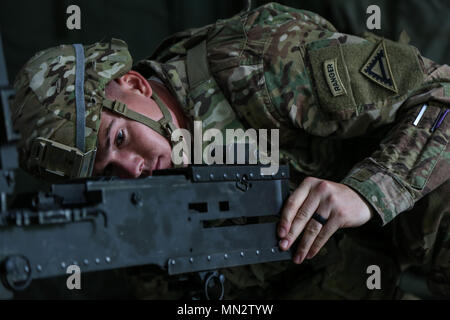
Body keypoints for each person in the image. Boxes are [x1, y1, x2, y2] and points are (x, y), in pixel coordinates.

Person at [10, 2, 449, 299]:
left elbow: (441, 93)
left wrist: (368, 192)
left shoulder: (254, 62)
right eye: (107, 172)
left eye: (119, 139)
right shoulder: (141, 224)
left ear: (135, 85)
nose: (133, 170)